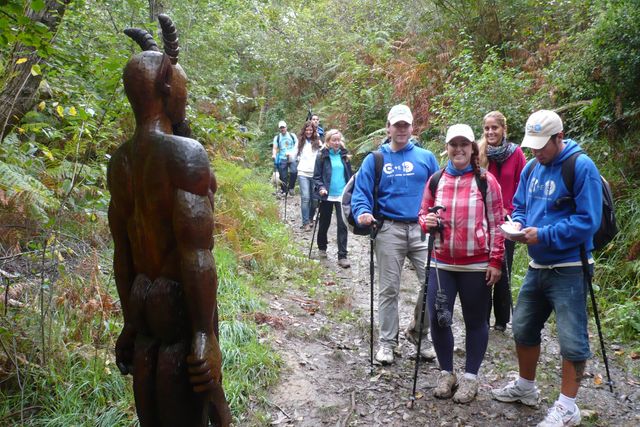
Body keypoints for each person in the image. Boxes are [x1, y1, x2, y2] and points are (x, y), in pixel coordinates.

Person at [109, 16, 231, 426]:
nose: (185, 92)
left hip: (143, 309)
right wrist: (204, 334)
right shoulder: (184, 153)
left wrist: (129, 322)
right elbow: (197, 252)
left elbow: (122, 255)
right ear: (165, 85)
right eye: (181, 83)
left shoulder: (120, 162)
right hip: (178, 312)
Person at [491, 110, 602, 427]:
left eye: (542, 145)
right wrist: (519, 225)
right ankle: (526, 387)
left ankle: (568, 407)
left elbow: (588, 221)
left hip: (570, 266)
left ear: (559, 138)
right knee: (523, 326)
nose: (536, 151)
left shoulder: (580, 167)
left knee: (571, 339)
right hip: (538, 265)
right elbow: (521, 206)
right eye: (532, 145)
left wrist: (545, 234)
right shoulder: (530, 169)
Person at [418, 124, 505, 404]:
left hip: (476, 264)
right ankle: (446, 372)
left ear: (472, 148)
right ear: (446, 147)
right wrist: (426, 222)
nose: (458, 149)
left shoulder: (486, 181)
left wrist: (495, 260)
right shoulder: (436, 180)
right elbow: (423, 214)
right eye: (453, 144)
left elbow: (497, 223)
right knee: (439, 319)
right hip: (441, 262)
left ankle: (470, 377)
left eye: (463, 144)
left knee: (475, 321)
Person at [351, 104, 440, 365]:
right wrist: (363, 213)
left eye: (406, 125)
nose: (401, 130)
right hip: (388, 228)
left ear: (412, 128)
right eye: (396, 125)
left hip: (422, 229)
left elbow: (439, 190)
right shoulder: (375, 159)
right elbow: (361, 194)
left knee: (434, 283)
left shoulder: (426, 157)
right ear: (388, 128)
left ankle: (419, 333)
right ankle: (387, 342)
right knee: (389, 289)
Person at [478, 111, 527, 331]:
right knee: (483, 266)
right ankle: (481, 316)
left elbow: (523, 185)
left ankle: (501, 319)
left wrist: (515, 211)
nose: (490, 132)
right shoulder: (479, 153)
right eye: (487, 128)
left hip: (507, 221)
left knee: (503, 266)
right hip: (482, 219)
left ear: (503, 129)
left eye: (494, 128)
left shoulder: (516, 154)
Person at [313, 129, 352, 268]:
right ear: (328, 141)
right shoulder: (322, 156)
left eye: (338, 140)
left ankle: (342, 256)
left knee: (343, 225)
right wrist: (321, 187)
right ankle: (322, 247)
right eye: (333, 140)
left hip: (342, 195)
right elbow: (317, 177)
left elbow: (349, 175)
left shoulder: (344, 155)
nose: (336, 142)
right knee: (324, 222)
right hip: (327, 195)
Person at [296, 121, 322, 231]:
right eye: (307, 130)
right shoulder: (300, 142)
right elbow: (294, 154)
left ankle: (311, 218)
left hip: (314, 174)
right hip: (302, 172)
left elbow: (323, 154)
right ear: (304, 130)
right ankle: (305, 222)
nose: (308, 132)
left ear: (313, 131)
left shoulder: (317, 142)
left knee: (314, 200)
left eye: (310, 130)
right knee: (305, 198)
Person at [272, 120, 298, 195]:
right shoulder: (277, 137)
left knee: (294, 172)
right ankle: (284, 191)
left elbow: (297, 144)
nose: (282, 129)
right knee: (283, 176)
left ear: (286, 127)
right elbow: (275, 148)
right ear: (279, 129)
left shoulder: (292, 135)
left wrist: (292, 152)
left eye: (283, 127)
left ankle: (291, 187)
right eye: (281, 128)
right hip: (282, 158)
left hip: (292, 157)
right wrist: (274, 154)